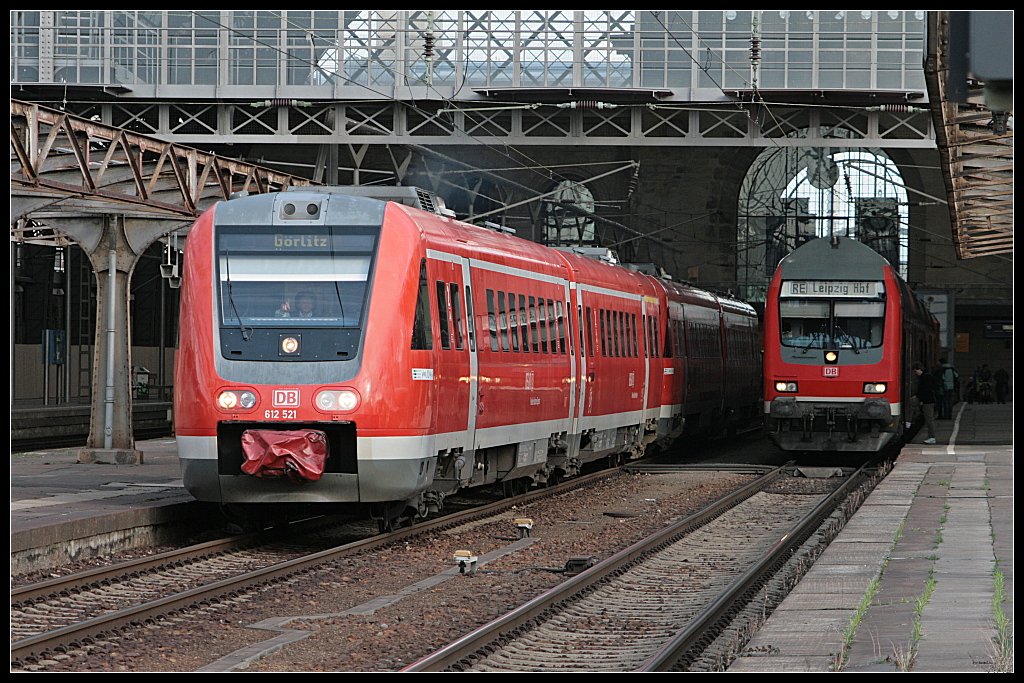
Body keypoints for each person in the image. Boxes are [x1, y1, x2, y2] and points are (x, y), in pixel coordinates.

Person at [912, 361, 938, 444]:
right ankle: (931, 437)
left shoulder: (925, 377)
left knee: (929, 420)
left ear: (919, 369)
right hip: (929, 400)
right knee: (929, 419)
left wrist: (920, 398)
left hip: (928, 401)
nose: (916, 373)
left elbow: (924, 390)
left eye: (916, 371)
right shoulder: (927, 376)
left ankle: (932, 437)